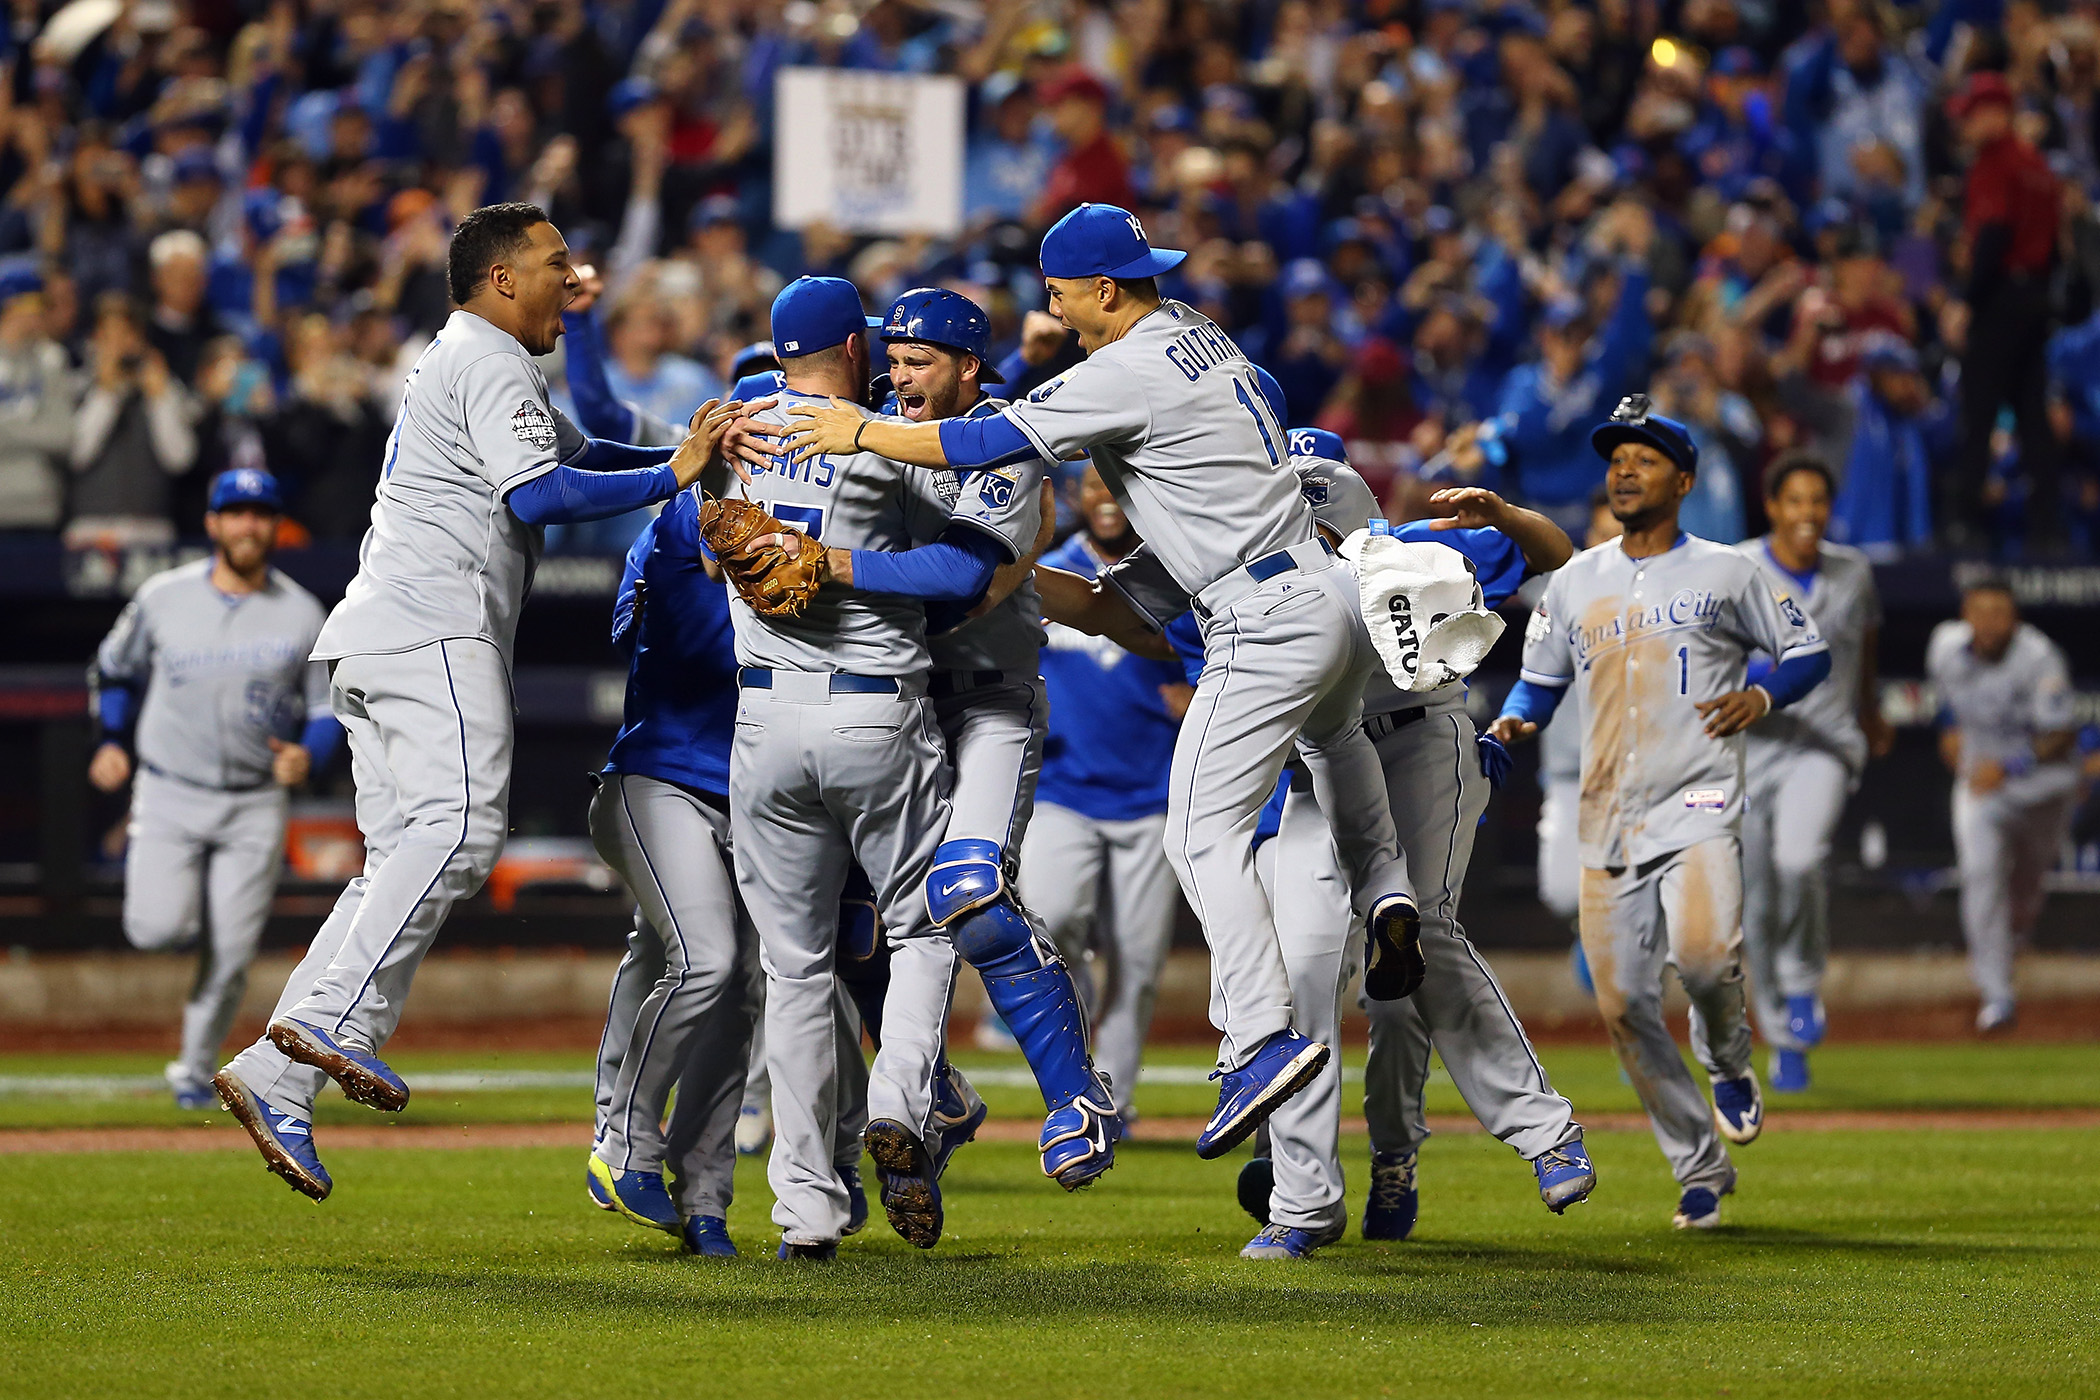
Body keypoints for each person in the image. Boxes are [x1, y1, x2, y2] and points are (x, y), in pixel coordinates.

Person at [768, 204, 1424, 1171]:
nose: (1060, 311)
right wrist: (1026, 572)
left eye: (1065, 295)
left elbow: (984, 446)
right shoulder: (1203, 337)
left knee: (1200, 836)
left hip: (1258, 613)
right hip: (1313, 587)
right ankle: (1389, 897)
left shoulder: (1128, 367)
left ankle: (1261, 1038)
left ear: (1107, 290)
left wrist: (858, 427)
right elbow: (1127, 584)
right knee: (1337, 747)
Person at [211, 203, 736, 1202]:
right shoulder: (489, 359)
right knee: (457, 830)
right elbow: (538, 497)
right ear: (501, 279)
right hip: (433, 627)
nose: (572, 276)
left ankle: (277, 1074)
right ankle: (333, 1025)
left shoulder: (478, 357)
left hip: (373, 633)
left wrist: (691, 466)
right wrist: (677, 470)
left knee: (394, 861)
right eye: (553, 264)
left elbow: (585, 458)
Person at [1216, 431, 1594, 1260]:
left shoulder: (1414, 552)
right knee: (1305, 974)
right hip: (1321, 772)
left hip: (1419, 740)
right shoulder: (1243, 575)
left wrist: (1503, 513)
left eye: (1319, 508)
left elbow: (1556, 554)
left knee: (1421, 936)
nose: (1306, 525)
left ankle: (1543, 1133)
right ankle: (1302, 1202)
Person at [1488, 394, 1830, 1229]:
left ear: (1685, 480)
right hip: (1607, 810)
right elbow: (1540, 679)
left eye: (1644, 457)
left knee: (1708, 960)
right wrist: (1514, 717)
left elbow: (1809, 652)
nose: (1624, 468)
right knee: (1622, 1008)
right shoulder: (1575, 581)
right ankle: (1699, 1167)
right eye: (1616, 456)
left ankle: (1727, 1061)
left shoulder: (1729, 568)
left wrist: (1760, 692)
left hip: (1700, 793)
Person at [88, 468, 340, 1110]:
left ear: (275, 524)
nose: (248, 525)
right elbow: (112, 671)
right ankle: (190, 910)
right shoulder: (162, 596)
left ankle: (194, 1072)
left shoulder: (302, 611)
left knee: (231, 954)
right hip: (171, 790)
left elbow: (327, 708)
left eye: (260, 513)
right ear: (213, 523)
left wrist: (308, 757)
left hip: (254, 800)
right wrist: (111, 741)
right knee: (153, 928)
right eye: (236, 512)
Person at [1019, 465, 1187, 1128]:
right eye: (1094, 488)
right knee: (1054, 924)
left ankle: (1110, 1098)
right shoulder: (1048, 574)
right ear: (1077, 497)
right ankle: (1077, 1069)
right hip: (1064, 789)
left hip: (1151, 793)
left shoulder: (1174, 576)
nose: (1107, 502)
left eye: (1118, 490)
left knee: (1140, 961)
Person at [1737, 454, 1891, 1091]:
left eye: (1816, 502)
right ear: (1773, 506)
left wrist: (1873, 709)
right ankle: (1781, 1034)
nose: (1806, 514)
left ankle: (1802, 989)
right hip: (1747, 747)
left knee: (1799, 860)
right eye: (1794, 501)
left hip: (1824, 744)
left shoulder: (1852, 570)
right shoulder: (1735, 566)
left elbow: (1865, 644)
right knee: (1755, 903)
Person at [1927, 579, 2080, 1033]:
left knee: (2028, 887)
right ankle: (1996, 996)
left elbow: (2061, 734)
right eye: (1980, 612)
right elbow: (1945, 703)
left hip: (2041, 786)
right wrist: (1948, 729)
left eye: (2000, 613)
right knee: (1980, 875)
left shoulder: (2039, 657)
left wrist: (2012, 765)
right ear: (1965, 615)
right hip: (1980, 786)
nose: (1990, 622)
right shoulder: (1944, 645)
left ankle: (2013, 940)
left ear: (2016, 620)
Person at [1946, 71, 2064, 552]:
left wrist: (1966, 302)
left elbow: (1993, 236)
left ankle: (1963, 526)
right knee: (2033, 418)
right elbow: (2054, 248)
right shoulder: (2038, 163)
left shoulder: (1995, 162)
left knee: (1979, 410)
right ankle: (2049, 532)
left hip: (2000, 298)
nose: (1968, 127)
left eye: (1973, 115)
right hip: (2035, 298)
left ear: (1997, 113)